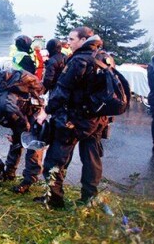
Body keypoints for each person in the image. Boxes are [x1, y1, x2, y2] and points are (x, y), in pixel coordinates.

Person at [37, 27, 111, 208]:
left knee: (55, 160)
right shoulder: (104, 57)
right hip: (97, 119)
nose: (67, 43)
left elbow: (62, 91)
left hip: (73, 120)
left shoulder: (78, 61)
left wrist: (46, 110)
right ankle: (89, 198)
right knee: (92, 159)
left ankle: (53, 199)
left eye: (71, 39)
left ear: (84, 39)